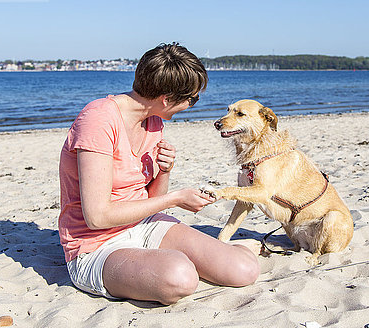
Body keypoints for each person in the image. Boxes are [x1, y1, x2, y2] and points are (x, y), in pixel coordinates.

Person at [58, 43, 260, 304]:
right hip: (96, 244)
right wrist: (175, 199)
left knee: (244, 269)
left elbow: (152, 201)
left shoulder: (153, 120)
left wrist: (164, 171)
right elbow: (97, 217)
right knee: (180, 277)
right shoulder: (98, 121)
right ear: (166, 99)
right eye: (192, 99)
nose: (191, 105)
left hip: (143, 224)